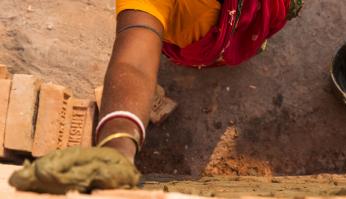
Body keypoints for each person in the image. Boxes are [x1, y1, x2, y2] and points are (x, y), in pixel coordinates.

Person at [96, 0, 303, 163]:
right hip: (203, 36)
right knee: (234, 42)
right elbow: (134, 65)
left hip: (243, 15)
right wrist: (117, 146)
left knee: (259, 21)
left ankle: (250, 33)